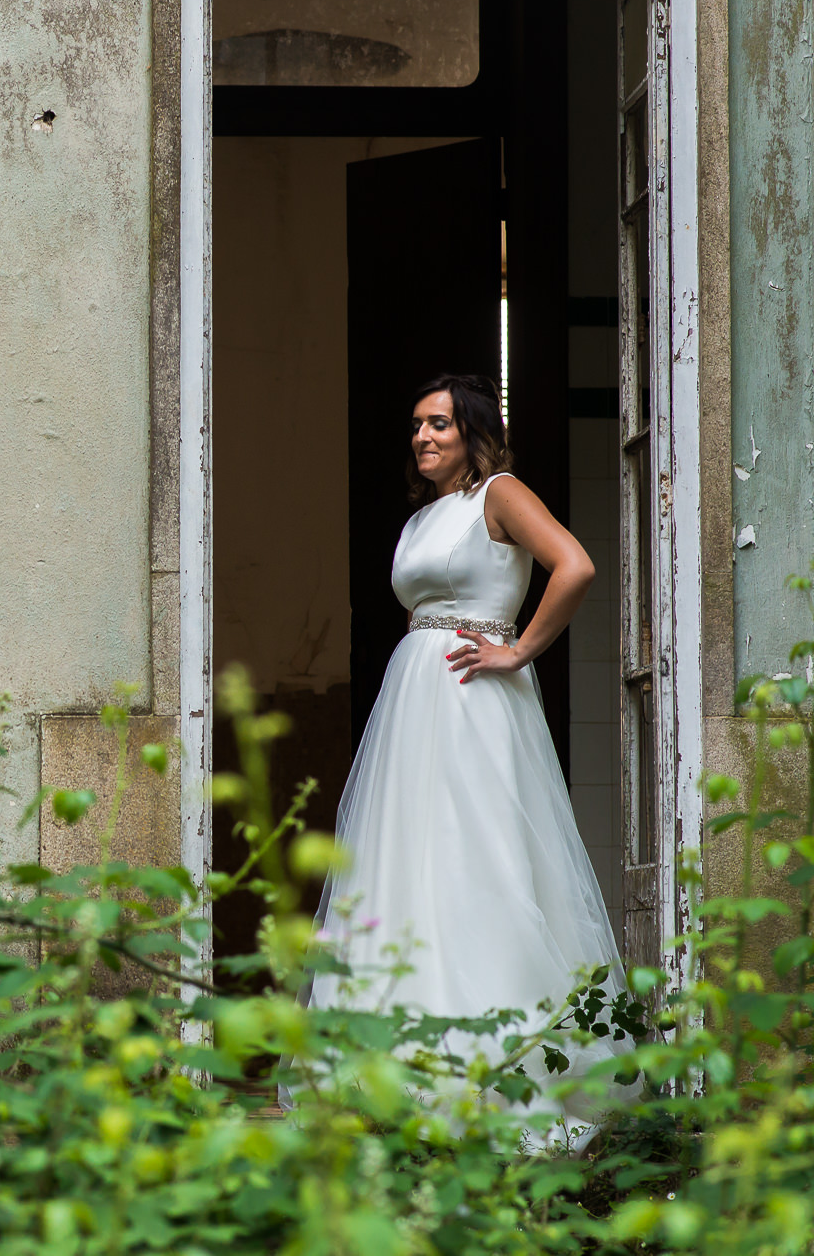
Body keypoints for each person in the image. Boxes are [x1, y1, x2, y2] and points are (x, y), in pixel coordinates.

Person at [305, 372, 629, 1146]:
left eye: (440, 424)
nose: (423, 436)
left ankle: (502, 1065)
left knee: (480, 860)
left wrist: (518, 650)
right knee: (405, 867)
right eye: (417, 424)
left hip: (474, 697)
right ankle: (403, 1064)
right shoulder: (423, 517)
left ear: (474, 432)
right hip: (414, 700)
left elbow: (575, 564)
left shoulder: (501, 493)